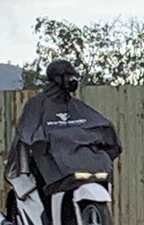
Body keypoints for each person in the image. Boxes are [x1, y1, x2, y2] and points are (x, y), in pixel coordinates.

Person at [8, 59, 122, 189]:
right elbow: (28, 132)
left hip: (79, 163)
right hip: (49, 159)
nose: (72, 80)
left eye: (72, 77)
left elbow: (99, 125)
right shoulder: (37, 104)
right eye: (68, 77)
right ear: (57, 78)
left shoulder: (75, 105)